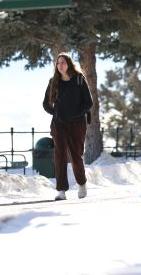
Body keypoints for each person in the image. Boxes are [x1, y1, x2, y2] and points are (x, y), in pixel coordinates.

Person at [43, 53, 93, 201]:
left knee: (76, 155)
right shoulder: (53, 82)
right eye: (58, 63)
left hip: (77, 123)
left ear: (69, 64)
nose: (60, 66)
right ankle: (61, 190)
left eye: (63, 62)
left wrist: (76, 113)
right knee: (60, 156)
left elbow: (88, 103)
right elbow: (45, 104)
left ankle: (82, 184)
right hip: (59, 124)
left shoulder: (79, 79)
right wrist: (56, 113)